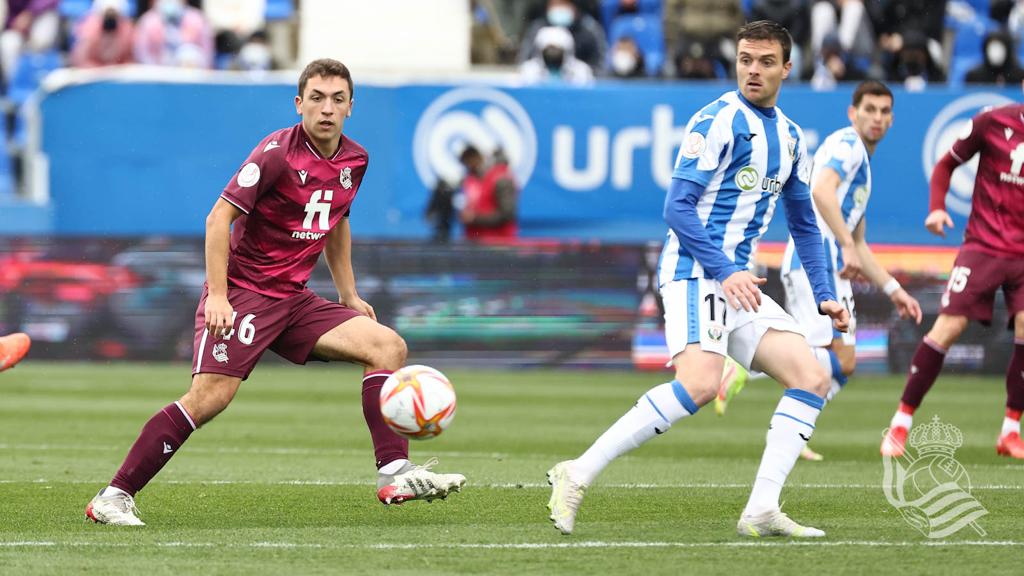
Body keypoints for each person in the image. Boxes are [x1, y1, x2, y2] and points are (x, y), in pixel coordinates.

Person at [84, 59, 466, 526]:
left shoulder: (355, 160)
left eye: (337, 99)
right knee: (208, 399)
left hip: (293, 299)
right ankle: (114, 495)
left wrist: (348, 293)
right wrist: (220, 296)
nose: (327, 108)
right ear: (299, 103)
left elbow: (337, 222)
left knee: (386, 345)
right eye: (317, 98)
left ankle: (394, 471)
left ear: (351, 107)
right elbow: (217, 220)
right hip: (244, 294)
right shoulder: (276, 154)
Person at [546, 20, 849, 538]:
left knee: (813, 376)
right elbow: (677, 208)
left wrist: (826, 295)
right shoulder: (716, 122)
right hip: (695, 272)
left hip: (738, 282)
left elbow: (804, 223)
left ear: (787, 68)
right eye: (746, 59)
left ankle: (761, 509)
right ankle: (578, 472)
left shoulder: (793, 138)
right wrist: (725, 269)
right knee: (701, 383)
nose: (754, 70)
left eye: (766, 61)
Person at [716, 80, 923, 462]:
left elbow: (859, 243)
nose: (876, 118)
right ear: (852, 112)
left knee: (833, 361)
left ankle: (793, 429)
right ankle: (749, 374)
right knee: (839, 360)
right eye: (869, 109)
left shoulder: (860, 160)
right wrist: (843, 243)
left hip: (821, 262)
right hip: (820, 263)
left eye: (883, 111)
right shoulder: (849, 147)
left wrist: (894, 290)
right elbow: (821, 192)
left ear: (892, 119)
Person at [881, 93, 1024, 460]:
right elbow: (945, 165)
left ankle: (1011, 430)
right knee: (948, 328)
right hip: (984, 246)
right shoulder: (992, 122)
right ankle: (900, 422)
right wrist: (936, 209)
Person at [458, 146, 518, 242]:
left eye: (469, 161)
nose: (469, 166)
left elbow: (507, 215)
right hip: (474, 241)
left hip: (498, 243)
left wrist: (474, 218)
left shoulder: (501, 178)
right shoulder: (471, 179)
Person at [133, 0, 214, 68]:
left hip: (190, 77)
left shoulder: (197, 19)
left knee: (188, 53)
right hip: (156, 76)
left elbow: (207, 54)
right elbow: (141, 54)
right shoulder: (148, 21)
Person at [519, 25, 594, 86]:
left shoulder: (580, 71)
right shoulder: (529, 70)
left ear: (567, 50)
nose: (553, 53)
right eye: (549, 49)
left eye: (557, 50)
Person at [70, 0, 135, 69]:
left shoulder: (127, 31)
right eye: (107, 15)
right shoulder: (89, 31)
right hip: (93, 74)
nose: (110, 19)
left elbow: (130, 59)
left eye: (114, 15)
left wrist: (117, 68)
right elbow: (80, 59)